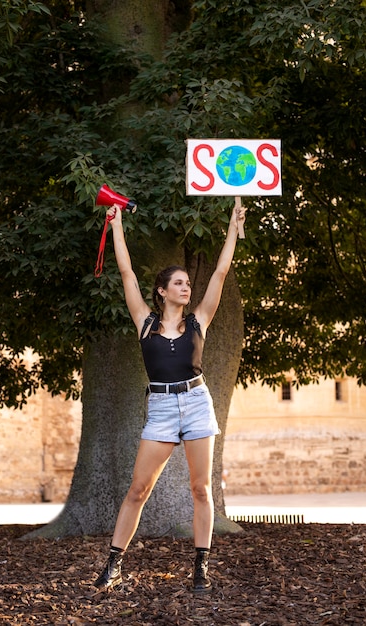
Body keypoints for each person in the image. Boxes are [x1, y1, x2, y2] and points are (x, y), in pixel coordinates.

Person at [94, 197, 246, 593]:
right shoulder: (145, 323)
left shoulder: (200, 320)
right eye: (178, 283)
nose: (186, 287)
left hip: (197, 403)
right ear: (162, 291)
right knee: (138, 489)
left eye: (187, 284)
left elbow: (220, 271)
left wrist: (233, 227)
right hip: (160, 407)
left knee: (201, 489)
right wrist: (116, 224)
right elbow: (126, 272)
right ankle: (113, 564)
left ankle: (201, 568)